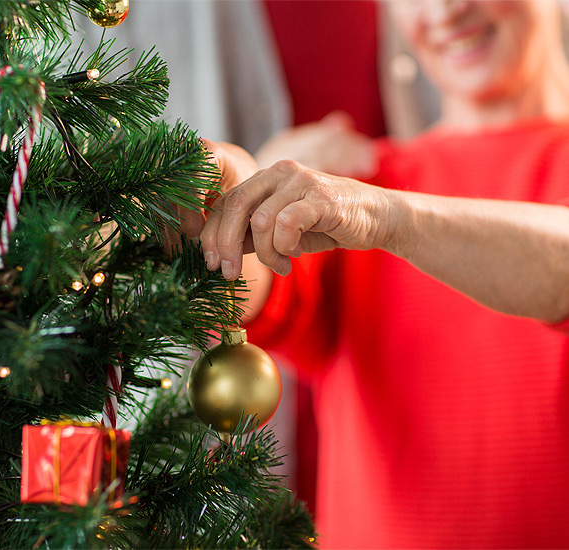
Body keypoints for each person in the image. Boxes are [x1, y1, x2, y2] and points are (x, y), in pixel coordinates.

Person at [173, 0, 569, 547]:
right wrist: (230, 193)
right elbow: (253, 288)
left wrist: (389, 216)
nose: (446, 11)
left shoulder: (365, 204)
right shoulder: (363, 182)